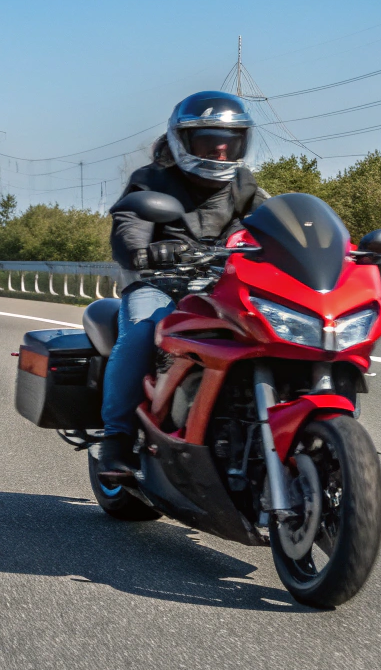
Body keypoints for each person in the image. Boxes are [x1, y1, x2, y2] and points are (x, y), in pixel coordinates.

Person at [96, 92, 269, 474]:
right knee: (143, 332)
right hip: (161, 284)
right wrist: (144, 252)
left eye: (230, 142)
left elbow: (272, 221)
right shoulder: (151, 180)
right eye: (210, 142)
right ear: (182, 141)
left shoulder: (244, 186)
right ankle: (117, 439)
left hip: (222, 284)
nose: (221, 152)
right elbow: (129, 226)